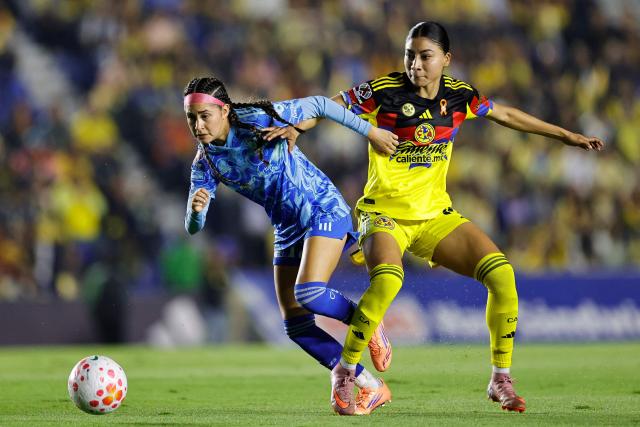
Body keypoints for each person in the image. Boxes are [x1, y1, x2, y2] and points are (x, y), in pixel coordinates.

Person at [290, 21, 604, 415]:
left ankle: (500, 378)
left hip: (434, 216)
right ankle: (346, 373)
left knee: (502, 274)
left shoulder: (460, 97)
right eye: (410, 55)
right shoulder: (383, 92)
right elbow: (329, 105)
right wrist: (298, 126)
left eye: (425, 56)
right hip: (383, 215)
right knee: (388, 280)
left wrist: (564, 136)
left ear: (446, 59)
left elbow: (505, 114)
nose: (415, 64)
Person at [182, 77, 400, 415]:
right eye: (191, 118)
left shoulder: (258, 118)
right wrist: (196, 212)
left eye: (204, 116)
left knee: (309, 292)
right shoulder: (206, 162)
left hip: (321, 207)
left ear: (224, 110)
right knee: (296, 326)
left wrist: (370, 133)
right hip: (286, 227)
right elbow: (193, 227)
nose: (198, 125)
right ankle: (370, 385)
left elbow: (321, 105)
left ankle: (367, 320)